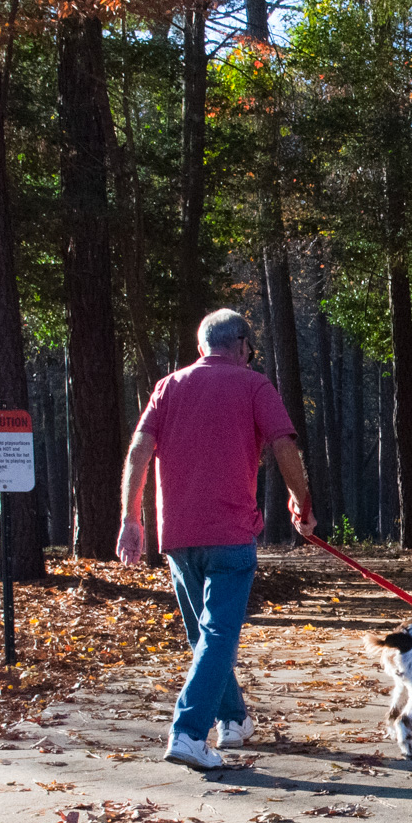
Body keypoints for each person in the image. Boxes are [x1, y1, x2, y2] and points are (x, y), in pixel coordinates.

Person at [118, 308, 315, 771]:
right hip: (229, 535)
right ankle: (187, 732)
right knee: (218, 635)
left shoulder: (170, 387)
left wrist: (131, 517)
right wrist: (302, 503)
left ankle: (233, 719)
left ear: (202, 346)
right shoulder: (254, 385)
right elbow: (285, 445)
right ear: (243, 345)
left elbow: (139, 451)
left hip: (179, 536)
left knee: (203, 635)